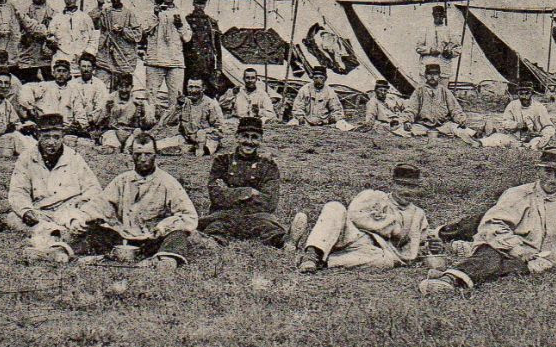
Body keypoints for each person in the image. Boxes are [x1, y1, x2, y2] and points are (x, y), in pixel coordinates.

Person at [420, 147, 556, 296]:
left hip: (534, 263)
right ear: (539, 171)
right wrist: (517, 249)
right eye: (548, 171)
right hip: (503, 248)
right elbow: (492, 225)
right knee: (491, 259)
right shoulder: (519, 194)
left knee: (510, 271)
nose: (552, 179)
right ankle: (448, 279)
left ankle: (447, 275)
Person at [61, 133, 198, 269]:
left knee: (178, 235)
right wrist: (80, 218)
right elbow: (99, 205)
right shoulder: (122, 180)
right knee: (92, 229)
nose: (143, 159)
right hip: (123, 238)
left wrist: (164, 226)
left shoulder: (167, 182)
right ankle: (65, 252)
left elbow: (188, 216)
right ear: (131, 155)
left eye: (148, 154)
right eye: (138, 154)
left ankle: (166, 259)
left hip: (153, 239)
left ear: (155, 155)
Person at [291, 163, 430, 272]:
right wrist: (388, 225)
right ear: (392, 184)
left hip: (372, 250)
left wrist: (432, 244)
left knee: (385, 261)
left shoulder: (418, 214)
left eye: (412, 187)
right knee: (334, 207)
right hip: (351, 235)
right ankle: (312, 254)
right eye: (402, 185)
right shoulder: (374, 196)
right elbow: (354, 215)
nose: (407, 191)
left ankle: (326, 261)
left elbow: (419, 242)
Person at [12, 114, 104, 260]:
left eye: (56, 137)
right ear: (38, 135)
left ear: (63, 136)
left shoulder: (73, 158)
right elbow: (18, 191)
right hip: (40, 211)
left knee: (79, 224)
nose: (51, 142)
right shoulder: (26, 158)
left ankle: (56, 243)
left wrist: (83, 203)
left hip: (69, 210)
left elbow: (93, 189)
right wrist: (26, 211)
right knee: (15, 219)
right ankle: (53, 244)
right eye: (46, 137)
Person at [197, 116, 284, 245]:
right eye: (245, 136)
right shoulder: (222, 162)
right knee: (215, 228)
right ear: (237, 137)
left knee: (272, 231)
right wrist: (247, 192)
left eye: (254, 137)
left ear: (261, 139)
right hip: (224, 215)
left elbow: (270, 201)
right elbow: (216, 196)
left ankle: (288, 242)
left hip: (256, 216)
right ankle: (212, 241)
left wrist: (231, 195)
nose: (249, 142)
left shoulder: (268, 166)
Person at [142, 0, 193, 112]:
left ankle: (172, 125)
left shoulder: (180, 13)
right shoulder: (153, 11)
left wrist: (180, 25)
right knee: (151, 94)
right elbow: (145, 30)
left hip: (174, 60)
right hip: (155, 60)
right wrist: (155, 15)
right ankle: (149, 121)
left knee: (176, 96)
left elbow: (187, 37)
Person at [92, 0, 145, 88]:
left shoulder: (129, 14)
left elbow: (138, 35)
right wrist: (99, 6)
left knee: (121, 89)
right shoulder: (105, 12)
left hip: (123, 57)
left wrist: (123, 31)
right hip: (105, 57)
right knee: (99, 86)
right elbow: (93, 22)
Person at [406, 63, 477, 143]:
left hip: (443, 125)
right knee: (403, 129)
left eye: (435, 74)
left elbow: (455, 109)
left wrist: (460, 119)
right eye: (429, 74)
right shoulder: (419, 91)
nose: (432, 77)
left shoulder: (445, 91)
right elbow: (411, 109)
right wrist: (407, 121)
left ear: (439, 76)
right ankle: (435, 134)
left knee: (463, 131)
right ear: (425, 75)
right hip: (423, 126)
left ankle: (441, 133)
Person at [156, 77, 225, 155]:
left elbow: (220, 129)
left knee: (207, 148)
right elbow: (169, 123)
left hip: (207, 138)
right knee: (155, 146)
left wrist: (202, 133)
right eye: (190, 87)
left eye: (197, 87)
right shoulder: (183, 102)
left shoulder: (211, 104)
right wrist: (178, 107)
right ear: (187, 87)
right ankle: (188, 148)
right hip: (185, 138)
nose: (193, 91)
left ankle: (194, 148)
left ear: (203, 88)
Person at [480, 83, 556, 149]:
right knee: (497, 138)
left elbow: (549, 126)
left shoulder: (539, 107)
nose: (524, 96)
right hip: (514, 138)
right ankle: (478, 142)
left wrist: (542, 134)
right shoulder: (513, 105)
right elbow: (505, 123)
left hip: (534, 138)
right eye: (521, 94)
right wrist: (517, 125)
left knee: (536, 144)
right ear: (518, 94)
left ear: (531, 94)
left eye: (527, 93)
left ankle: (529, 147)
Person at [47, 0, 97, 72]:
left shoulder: (85, 18)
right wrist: (52, 42)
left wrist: (86, 56)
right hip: (62, 59)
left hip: (81, 60)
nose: (69, 0)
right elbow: (50, 37)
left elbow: (93, 39)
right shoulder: (57, 18)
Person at [182, 0, 223, 97]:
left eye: (202, 3)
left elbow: (217, 47)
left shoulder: (212, 22)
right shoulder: (187, 20)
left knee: (208, 92)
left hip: (207, 63)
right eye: (197, 3)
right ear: (193, 3)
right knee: (189, 92)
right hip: (190, 63)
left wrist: (218, 66)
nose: (199, 6)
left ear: (205, 4)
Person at [99, 74, 153, 153]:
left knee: (137, 136)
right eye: (121, 86)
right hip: (114, 131)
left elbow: (148, 123)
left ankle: (129, 147)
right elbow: (100, 121)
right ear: (117, 87)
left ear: (131, 87)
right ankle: (113, 147)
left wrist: (142, 113)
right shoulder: (110, 98)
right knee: (110, 144)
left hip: (131, 132)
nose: (124, 90)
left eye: (127, 87)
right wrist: (107, 110)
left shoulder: (139, 99)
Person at [287, 65, 352, 130]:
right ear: (312, 78)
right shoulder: (304, 89)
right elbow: (297, 107)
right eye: (316, 78)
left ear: (325, 79)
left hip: (324, 122)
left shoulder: (329, 91)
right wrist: (301, 118)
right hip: (306, 121)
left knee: (342, 124)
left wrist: (333, 119)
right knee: (292, 124)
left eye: (321, 78)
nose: (318, 80)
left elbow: (336, 109)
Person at [17, 0, 56, 83]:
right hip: (28, 54)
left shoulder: (53, 10)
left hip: (46, 55)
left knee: (50, 84)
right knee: (29, 84)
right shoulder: (24, 11)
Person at [66, 53, 111, 137]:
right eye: (83, 66)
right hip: (75, 123)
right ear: (79, 67)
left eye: (88, 66)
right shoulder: (71, 84)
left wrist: (91, 120)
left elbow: (101, 106)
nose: (86, 69)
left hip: (93, 123)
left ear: (93, 68)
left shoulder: (99, 84)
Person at [23, 58, 76, 124]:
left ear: (69, 75)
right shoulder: (45, 86)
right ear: (53, 73)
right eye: (58, 71)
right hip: (46, 123)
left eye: (64, 71)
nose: (61, 74)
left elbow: (79, 110)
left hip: (65, 125)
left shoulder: (73, 90)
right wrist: (30, 107)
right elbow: (25, 88)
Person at [415, 4, 461, 79]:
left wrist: (450, 53)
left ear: (444, 15)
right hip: (427, 68)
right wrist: (430, 50)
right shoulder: (426, 30)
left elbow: (458, 48)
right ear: (433, 15)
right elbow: (418, 48)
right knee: (427, 89)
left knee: (443, 90)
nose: (438, 16)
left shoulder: (449, 31)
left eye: (440, 14)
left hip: (443, 68)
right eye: (436, 14)